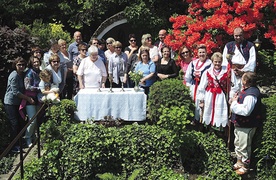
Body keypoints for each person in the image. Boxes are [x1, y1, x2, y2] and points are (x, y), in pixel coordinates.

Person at [230, 72, 262, 175]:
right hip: (240, 124)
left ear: (246, 81)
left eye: (242, 79)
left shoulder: (252, 94)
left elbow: (246, 111)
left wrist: (234, 103)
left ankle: (245, 166)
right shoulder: (246, 90)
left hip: (247, 125)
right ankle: (239, 162)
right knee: (238, 143)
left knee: (244, 145)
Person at [197, 52, 239, 128]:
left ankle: (220, 131)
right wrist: (201, 100)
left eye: (219, 61)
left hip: (221, 97)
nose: (217, 63)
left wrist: (231, 97)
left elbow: (234, 85)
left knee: (220, 113)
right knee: (209, 113)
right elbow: (202, 87)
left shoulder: (228, 71)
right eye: (215, 62)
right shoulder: (207, 72)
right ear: (212, 61)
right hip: (209, 96)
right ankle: (209, 130)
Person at [4, 57, 35, 153]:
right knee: (14, 124)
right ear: (15, 65)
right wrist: (28, 98)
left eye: (22, 65)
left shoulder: (22, 74)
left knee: (21, 122)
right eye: (19, 65)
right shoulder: (14, 76)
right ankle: (13, 146)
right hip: (10, 103)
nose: (21, 67)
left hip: (18, 103)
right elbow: (15, 92)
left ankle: (19, 142)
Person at [185, 44, 212, 123]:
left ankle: (201, 122)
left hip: (204, 89)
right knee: (192, 103)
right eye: (200, 52)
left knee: (201, 104)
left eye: (203, 52)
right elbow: (188, 77)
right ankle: (192, 121)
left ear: (206, 53)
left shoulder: (209, 64)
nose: (201, 54)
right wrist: (189, 86)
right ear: (197, 53)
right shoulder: (193, 63)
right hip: (193, 87)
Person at [19, 56, 41, 147]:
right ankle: (27, 138)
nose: (36, 63)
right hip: (29, 98)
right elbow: (27, 86)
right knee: (32, 120)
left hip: (37, 98)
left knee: (36, 119)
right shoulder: (29, 72)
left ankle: (33, 136)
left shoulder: (39, 72)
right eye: (34, 62)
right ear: (31, 63)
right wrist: (39, 89)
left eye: (37, 61)